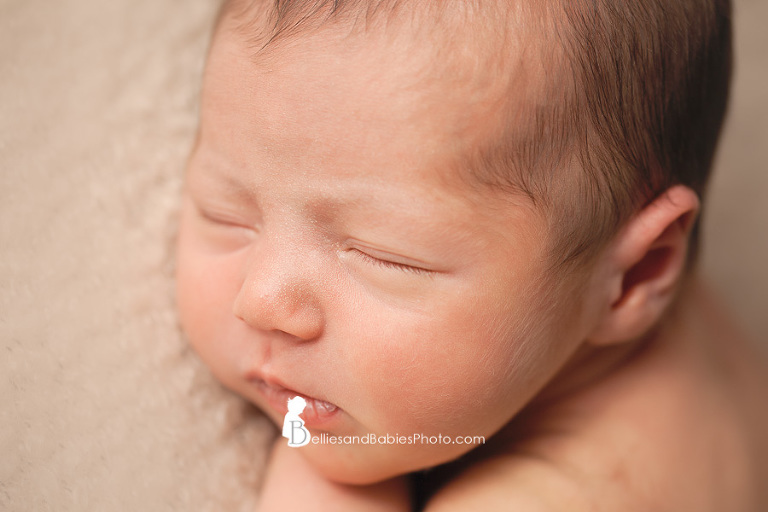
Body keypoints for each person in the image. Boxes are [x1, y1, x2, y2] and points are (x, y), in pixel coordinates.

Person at [175, 0, 768, 509]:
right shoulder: (594, 295)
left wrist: (320, 479)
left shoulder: (584, 490)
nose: (261, 302)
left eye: (386, 256)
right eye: (224, 212)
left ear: (636, 274)